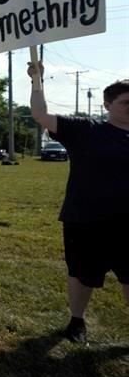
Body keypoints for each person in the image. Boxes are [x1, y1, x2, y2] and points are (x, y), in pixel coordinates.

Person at [29, 66, 129, 344]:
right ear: (107, 104)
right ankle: (77, 320)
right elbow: (41, 115)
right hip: (86, 219)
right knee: (82, 274)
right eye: (126, 102)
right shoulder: (86, 130)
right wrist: (37, 81)